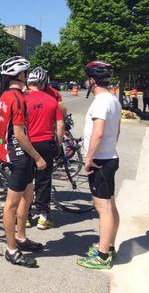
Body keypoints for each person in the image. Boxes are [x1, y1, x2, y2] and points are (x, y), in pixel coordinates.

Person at [0, 56, 47, 268]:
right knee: (12, 204)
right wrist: (37, 156)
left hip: (14, 152)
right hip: (18, 154)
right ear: (21, 75)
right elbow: (18, 133)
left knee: (28, 195)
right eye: (26, 73)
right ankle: (11, 250)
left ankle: (21, 237)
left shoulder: (9, 94)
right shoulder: (16, 98)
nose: (28, 77)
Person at [77, 61, 121, 270]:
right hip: (110, 157)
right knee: (110, 205)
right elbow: (117, 132)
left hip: (100, 161)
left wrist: (89, 158)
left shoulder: (100, 102)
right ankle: (108, 247)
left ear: (92, 80)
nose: (85, 82)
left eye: (87, 78)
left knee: (102, 208)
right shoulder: (113, 100)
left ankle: (102, 256)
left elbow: (99, 132)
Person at [25, 67, 65, 230]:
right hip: (46, 143)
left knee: (26, 180)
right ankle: (43, 216)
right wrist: (59, 144)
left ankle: (25, 215)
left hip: (27, 143)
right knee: (44, 180)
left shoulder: (23, 100)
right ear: (43, 84)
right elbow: (60, 125)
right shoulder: (52, 100)